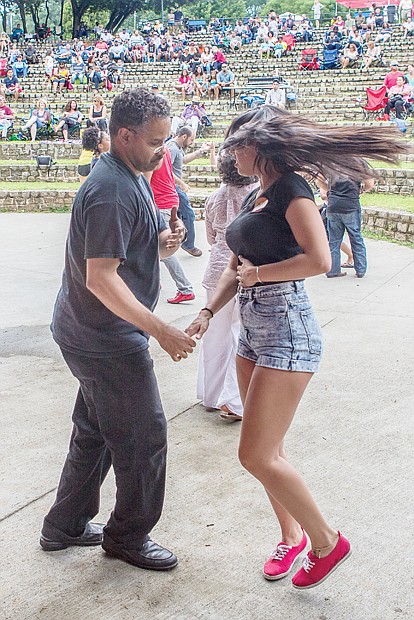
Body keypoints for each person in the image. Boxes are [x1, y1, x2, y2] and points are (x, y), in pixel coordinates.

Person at [185, 105, 406, 589]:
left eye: (234, 145)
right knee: (273, 449)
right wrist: (206, 313)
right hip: (253, 329)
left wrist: (259, 275)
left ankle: (327, 540)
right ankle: (292, 538)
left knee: (255, 455)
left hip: (288, 329)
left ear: (257, 146)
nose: (229, 154)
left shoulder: (293, 191)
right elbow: (232, 266)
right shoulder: (254, 197)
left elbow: (320, 259)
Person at [40, 88, 195, 571]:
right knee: (144, 438)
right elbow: (101, 278)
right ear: (124, 135)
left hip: (89, 329)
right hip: (105, 338)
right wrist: (159, 330)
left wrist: (163, 244)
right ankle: (128, 536)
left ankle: (63, 525)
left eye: (167, 141)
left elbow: (125, 258)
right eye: (155, 141)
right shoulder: (109, 188)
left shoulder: (132, 175)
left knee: (95, 431)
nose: (164, 150)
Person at [198, 150, 258, 422]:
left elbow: (211, 237)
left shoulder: (214, 197)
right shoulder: (256, 194)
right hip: (242, 270)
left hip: (215, 269)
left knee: (215, 336)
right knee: (240, 335)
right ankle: (234, 399)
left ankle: (211, 394)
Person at [149, 146, 196, 305]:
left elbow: (146, 182)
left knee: (162, 248)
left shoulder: (154, 150)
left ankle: (185, 288)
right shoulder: (165, 148)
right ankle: (154, 282)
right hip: (168, 199)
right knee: (153, 247)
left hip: (161, 202)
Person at [168, 126, 211, 257]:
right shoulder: (172, 148)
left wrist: (200, 151)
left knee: (179, 216)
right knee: (188, 214)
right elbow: (166, 170)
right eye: (191, 140)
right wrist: (181, 183)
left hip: (175, 187)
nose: (192, 142)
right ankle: (188, 245)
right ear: (184, 137)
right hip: (173, 188)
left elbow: (183, 160)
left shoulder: (177, 148)